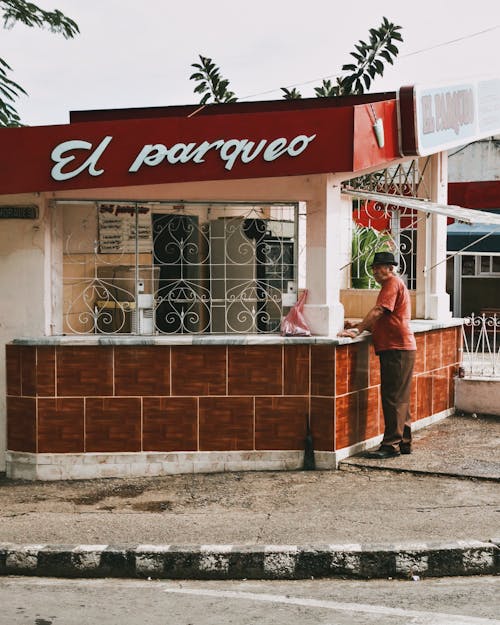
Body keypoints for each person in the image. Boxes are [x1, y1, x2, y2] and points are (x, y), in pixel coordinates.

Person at [338, 251, 416, 458]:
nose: (374, 271)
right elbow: (385, 321)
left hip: (396, 349)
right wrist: (360, 325)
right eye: (373, 267)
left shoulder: (391, 282)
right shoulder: (394, 284)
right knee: (400, 398)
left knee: (392, 397)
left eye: (378, 267)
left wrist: (357, 330)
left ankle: (391, 446)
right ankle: (404, 442)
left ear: (390, 268)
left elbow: (378, 311)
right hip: (401, 347)